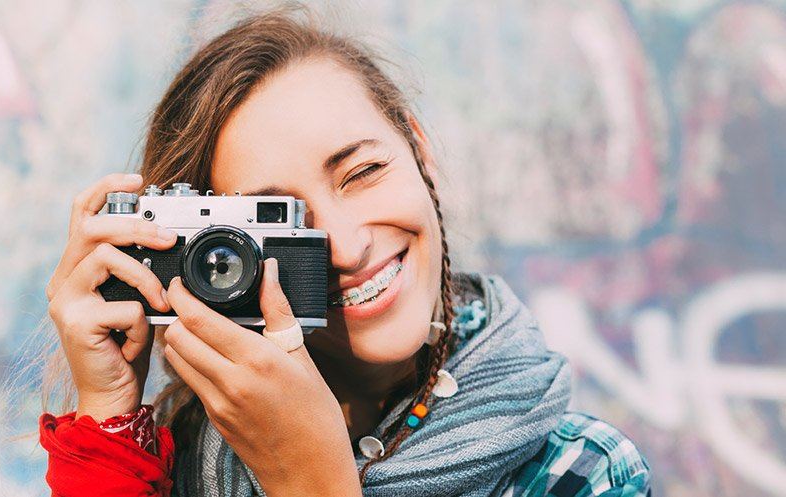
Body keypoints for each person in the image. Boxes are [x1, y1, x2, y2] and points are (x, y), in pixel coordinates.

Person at [38, 8, 652, 497]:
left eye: (362, 172)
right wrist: (110, 420)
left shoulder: (579, 473)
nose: (347, 246)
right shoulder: (168, 467)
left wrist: (311, 484)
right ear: (202, 259)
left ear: (417, 148)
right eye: (280, 220)